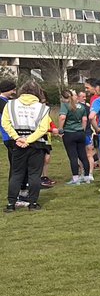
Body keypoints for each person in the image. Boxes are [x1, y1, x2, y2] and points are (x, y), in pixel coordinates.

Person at [2, 80, 52, 212]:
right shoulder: (43, 108)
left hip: (18, 143)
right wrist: (29, 140)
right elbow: (43, 128)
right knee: (34, 174)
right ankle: (33, 203)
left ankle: (11, 204)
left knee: (16, 173)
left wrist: (17, 138)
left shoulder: (10, 105)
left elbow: (5, 123)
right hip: (37, 144)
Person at [59, 90, 93, 185]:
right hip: (80, 133)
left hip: (69, 132)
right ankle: (86, 177)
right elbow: (85, 120)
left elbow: (62, 117)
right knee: (83, 155)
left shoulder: (65, 105)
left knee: (73, 156)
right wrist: (82, 129)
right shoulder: (81, 106)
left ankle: (75, 178)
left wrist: (60, 129)